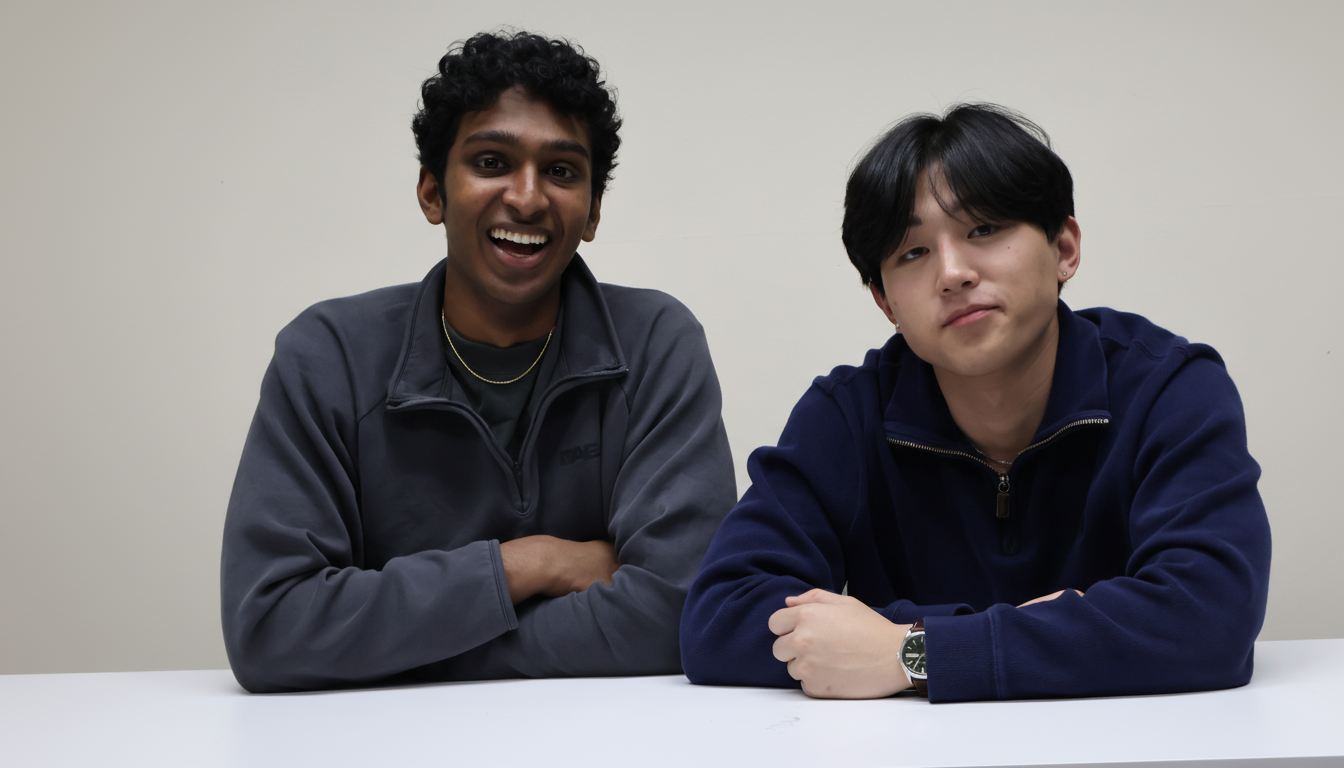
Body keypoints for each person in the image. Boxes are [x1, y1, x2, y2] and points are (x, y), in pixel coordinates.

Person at [679, 104, 1270, 702]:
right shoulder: (847, 412)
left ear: (1064, 247)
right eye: (912, 253)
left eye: (983, 229)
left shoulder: (1169, 388)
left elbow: (1209, 617)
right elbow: (718, 620)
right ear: (886, 304)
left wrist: (910, 652)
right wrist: (1040, 635)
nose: (953, 273)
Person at [221, 31, 736, 694]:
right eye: (491, 161)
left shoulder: (658, 343)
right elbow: (270, 627)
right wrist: (531, 564)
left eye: (561, 170)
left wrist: (394, 647)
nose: (526, 198)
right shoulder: (327, 357)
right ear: (432, 193)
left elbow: (682, 610)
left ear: (593, 213)